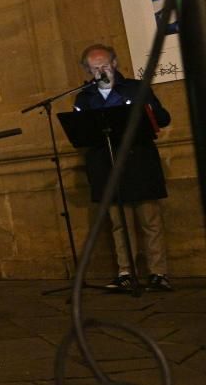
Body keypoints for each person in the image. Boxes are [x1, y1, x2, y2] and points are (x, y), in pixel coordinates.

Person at [73, 43, 173, 293]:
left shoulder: (135, 87)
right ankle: (125, 272)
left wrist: (145, 111)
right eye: (95, 68)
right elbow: (82, 133)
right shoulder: (85, 97)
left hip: (138, 161)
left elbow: (162, 117)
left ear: (115, 64)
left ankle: (158, 273)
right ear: (88, 71)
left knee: (149, 219)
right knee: (119, 222)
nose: (101, 71)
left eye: (105, 65)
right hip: (107, 165)